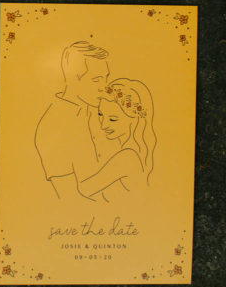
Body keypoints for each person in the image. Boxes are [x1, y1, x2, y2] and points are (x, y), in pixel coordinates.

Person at [34, 41, 111, 199]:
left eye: (105, 78)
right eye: (96, 80)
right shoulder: (54, 125)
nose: (104, 87)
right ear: (72, 78)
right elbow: (69, 199)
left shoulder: (96, 113)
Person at [77, 78, 156, 202]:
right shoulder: (135, 151)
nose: (103, 125)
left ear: (134, 120)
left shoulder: (127, 156)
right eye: (100, 115)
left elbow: (84, 189)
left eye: (113, 119)